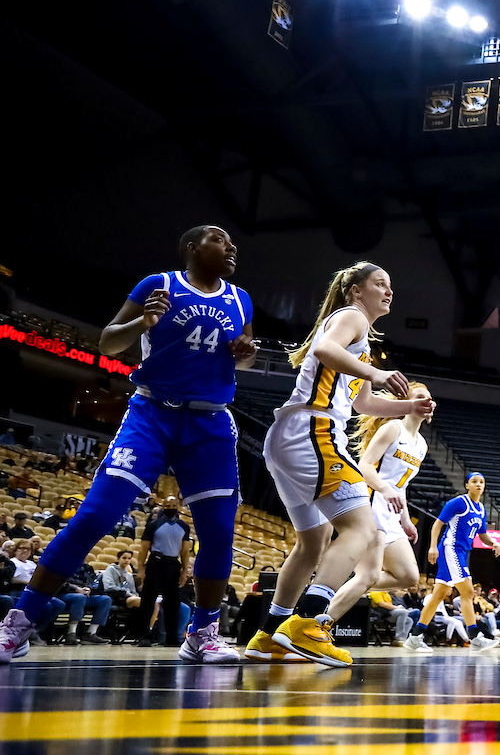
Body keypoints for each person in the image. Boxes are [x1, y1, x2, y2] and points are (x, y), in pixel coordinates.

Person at [0, 225, 256, 665]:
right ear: (192, 248)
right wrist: (144, 322)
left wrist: (244, 351)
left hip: (210, 421)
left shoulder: (240, 298)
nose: (230, 247)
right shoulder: (158, 284)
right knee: (95, 515)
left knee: (218, 533)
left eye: (232, 243)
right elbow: (109, 342)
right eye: (219, 240)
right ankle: (17, 625)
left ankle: (203, 634)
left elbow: (246, 354)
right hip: (152, 414)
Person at [253, 262, 429, 668]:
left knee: (313, 542)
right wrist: (377, 372)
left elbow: (363, 404)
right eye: (379, 283)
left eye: (391, 285)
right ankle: (309, 624)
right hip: (312, 429)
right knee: (363, 529)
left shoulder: (362, 341)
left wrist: (409, 406)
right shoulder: (350, 317)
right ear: (355, 291)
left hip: (292, 436)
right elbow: (322, 349)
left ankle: (269, 636)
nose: (389, 291)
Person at [277, 384, 433, 661]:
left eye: (430, 398)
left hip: (392, 511)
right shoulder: (392, 428)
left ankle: (328, 589)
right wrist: (384, 490)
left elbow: (403, 486)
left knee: (408, 576)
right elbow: (366, 465)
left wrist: (407, 520)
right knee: (368, 576)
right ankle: (313, 627)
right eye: (420, 396)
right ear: (407, 401)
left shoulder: (421, 444)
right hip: (371, 502)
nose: (427, 401)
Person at [402, 473, 500, 654]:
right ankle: (475, 638)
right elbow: (438, 524)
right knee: (468, 592)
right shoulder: (459, 503)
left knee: (438, 595)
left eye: (482, 482)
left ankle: (414, 637)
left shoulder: (481, 509)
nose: (479, 485)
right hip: (451, 548)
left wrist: (493, 542)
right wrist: (433, 547)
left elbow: (482, 534)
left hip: (461, 552)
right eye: (474, 482)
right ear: (467, 485)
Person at [134, 498, 191, 647]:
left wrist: (185, 571)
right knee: (148, 600)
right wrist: (141, 569)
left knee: (173, 603)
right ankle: (144, 635)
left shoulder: (183, 526)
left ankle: (172, 638)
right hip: (155, 563)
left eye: (173, 506)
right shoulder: (153, 525)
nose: (170, 508)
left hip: (173, 564)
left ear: (178, 507)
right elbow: (143, 548)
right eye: (167, 505)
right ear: (163, 507)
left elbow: (185, 551)